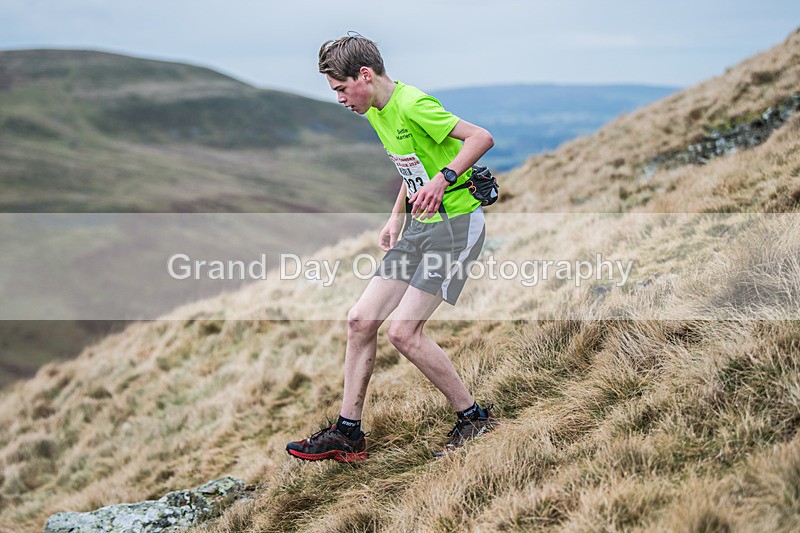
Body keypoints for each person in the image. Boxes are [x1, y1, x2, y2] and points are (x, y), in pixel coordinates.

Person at [286, 34, 496, 462]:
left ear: (365, 75)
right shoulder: (376, 111)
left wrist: (445, 179)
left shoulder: (412, 104)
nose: (341, 99)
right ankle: (348, 435)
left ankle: (473, 418)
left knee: (403, 333)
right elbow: (412, 163)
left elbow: (481, 137)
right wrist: (396, 213)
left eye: (342, 89)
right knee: (361, 320)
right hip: (421, 226)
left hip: (456, 227)